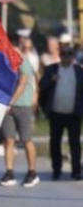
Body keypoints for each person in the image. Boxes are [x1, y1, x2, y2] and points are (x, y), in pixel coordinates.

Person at [39, 43, 83, 180]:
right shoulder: (52, 69)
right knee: (55, 142)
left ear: (73, 56)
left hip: (73, 114)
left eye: (69, 54)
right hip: (56, 113)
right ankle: (56, 169)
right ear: (60, 55)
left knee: (74, 142)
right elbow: (42, 86)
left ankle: (76, 170)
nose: (67, 57)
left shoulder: (78, 71)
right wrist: (51, 81)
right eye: (64, 54)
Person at [0, 47, 39, 188]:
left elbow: (23, 82)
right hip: (8, 106)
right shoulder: (5, 62)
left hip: (22, 105)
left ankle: (32, 172)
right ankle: (9, 172)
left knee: (26, 139)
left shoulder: (23, 62)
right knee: (9, 139)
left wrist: (12, 101)